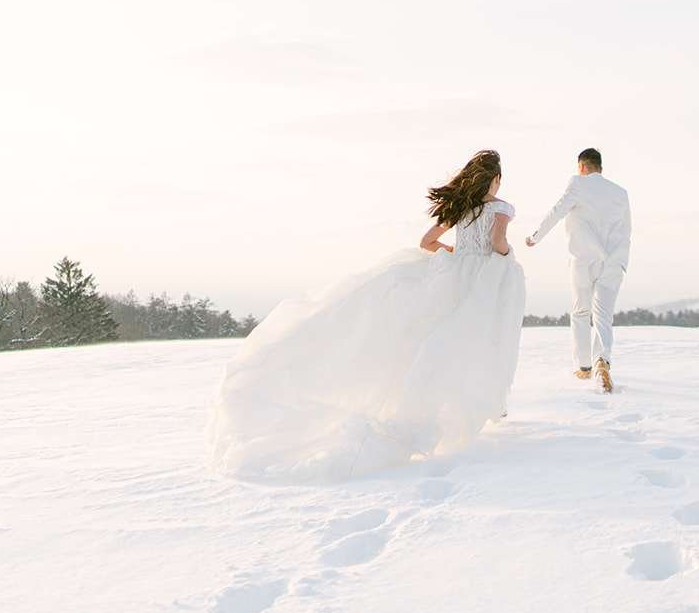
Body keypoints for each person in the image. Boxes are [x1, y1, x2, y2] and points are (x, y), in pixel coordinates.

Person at [210, 150, 526, 480]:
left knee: (434, 341)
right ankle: (479, 406)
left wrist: (457, 254)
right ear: (496, 179)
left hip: (452, 279)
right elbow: (497, 240)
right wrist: (506, 257)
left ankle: (429, 408)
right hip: (483, 282)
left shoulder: (461, 207)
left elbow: (427, 242)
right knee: (481, 341)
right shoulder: (501, 208)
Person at [525, 147, 631, 392]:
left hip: (583, 260)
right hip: (614, 261)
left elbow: (557, 211)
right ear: (600, 168)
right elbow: (627, 230)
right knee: (604, 315)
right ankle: (602, 360)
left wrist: (535, 237)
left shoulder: (578, 184)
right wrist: (621, 261)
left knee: (581, 311)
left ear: (582, 167)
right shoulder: (620, 193)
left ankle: (583, 366)